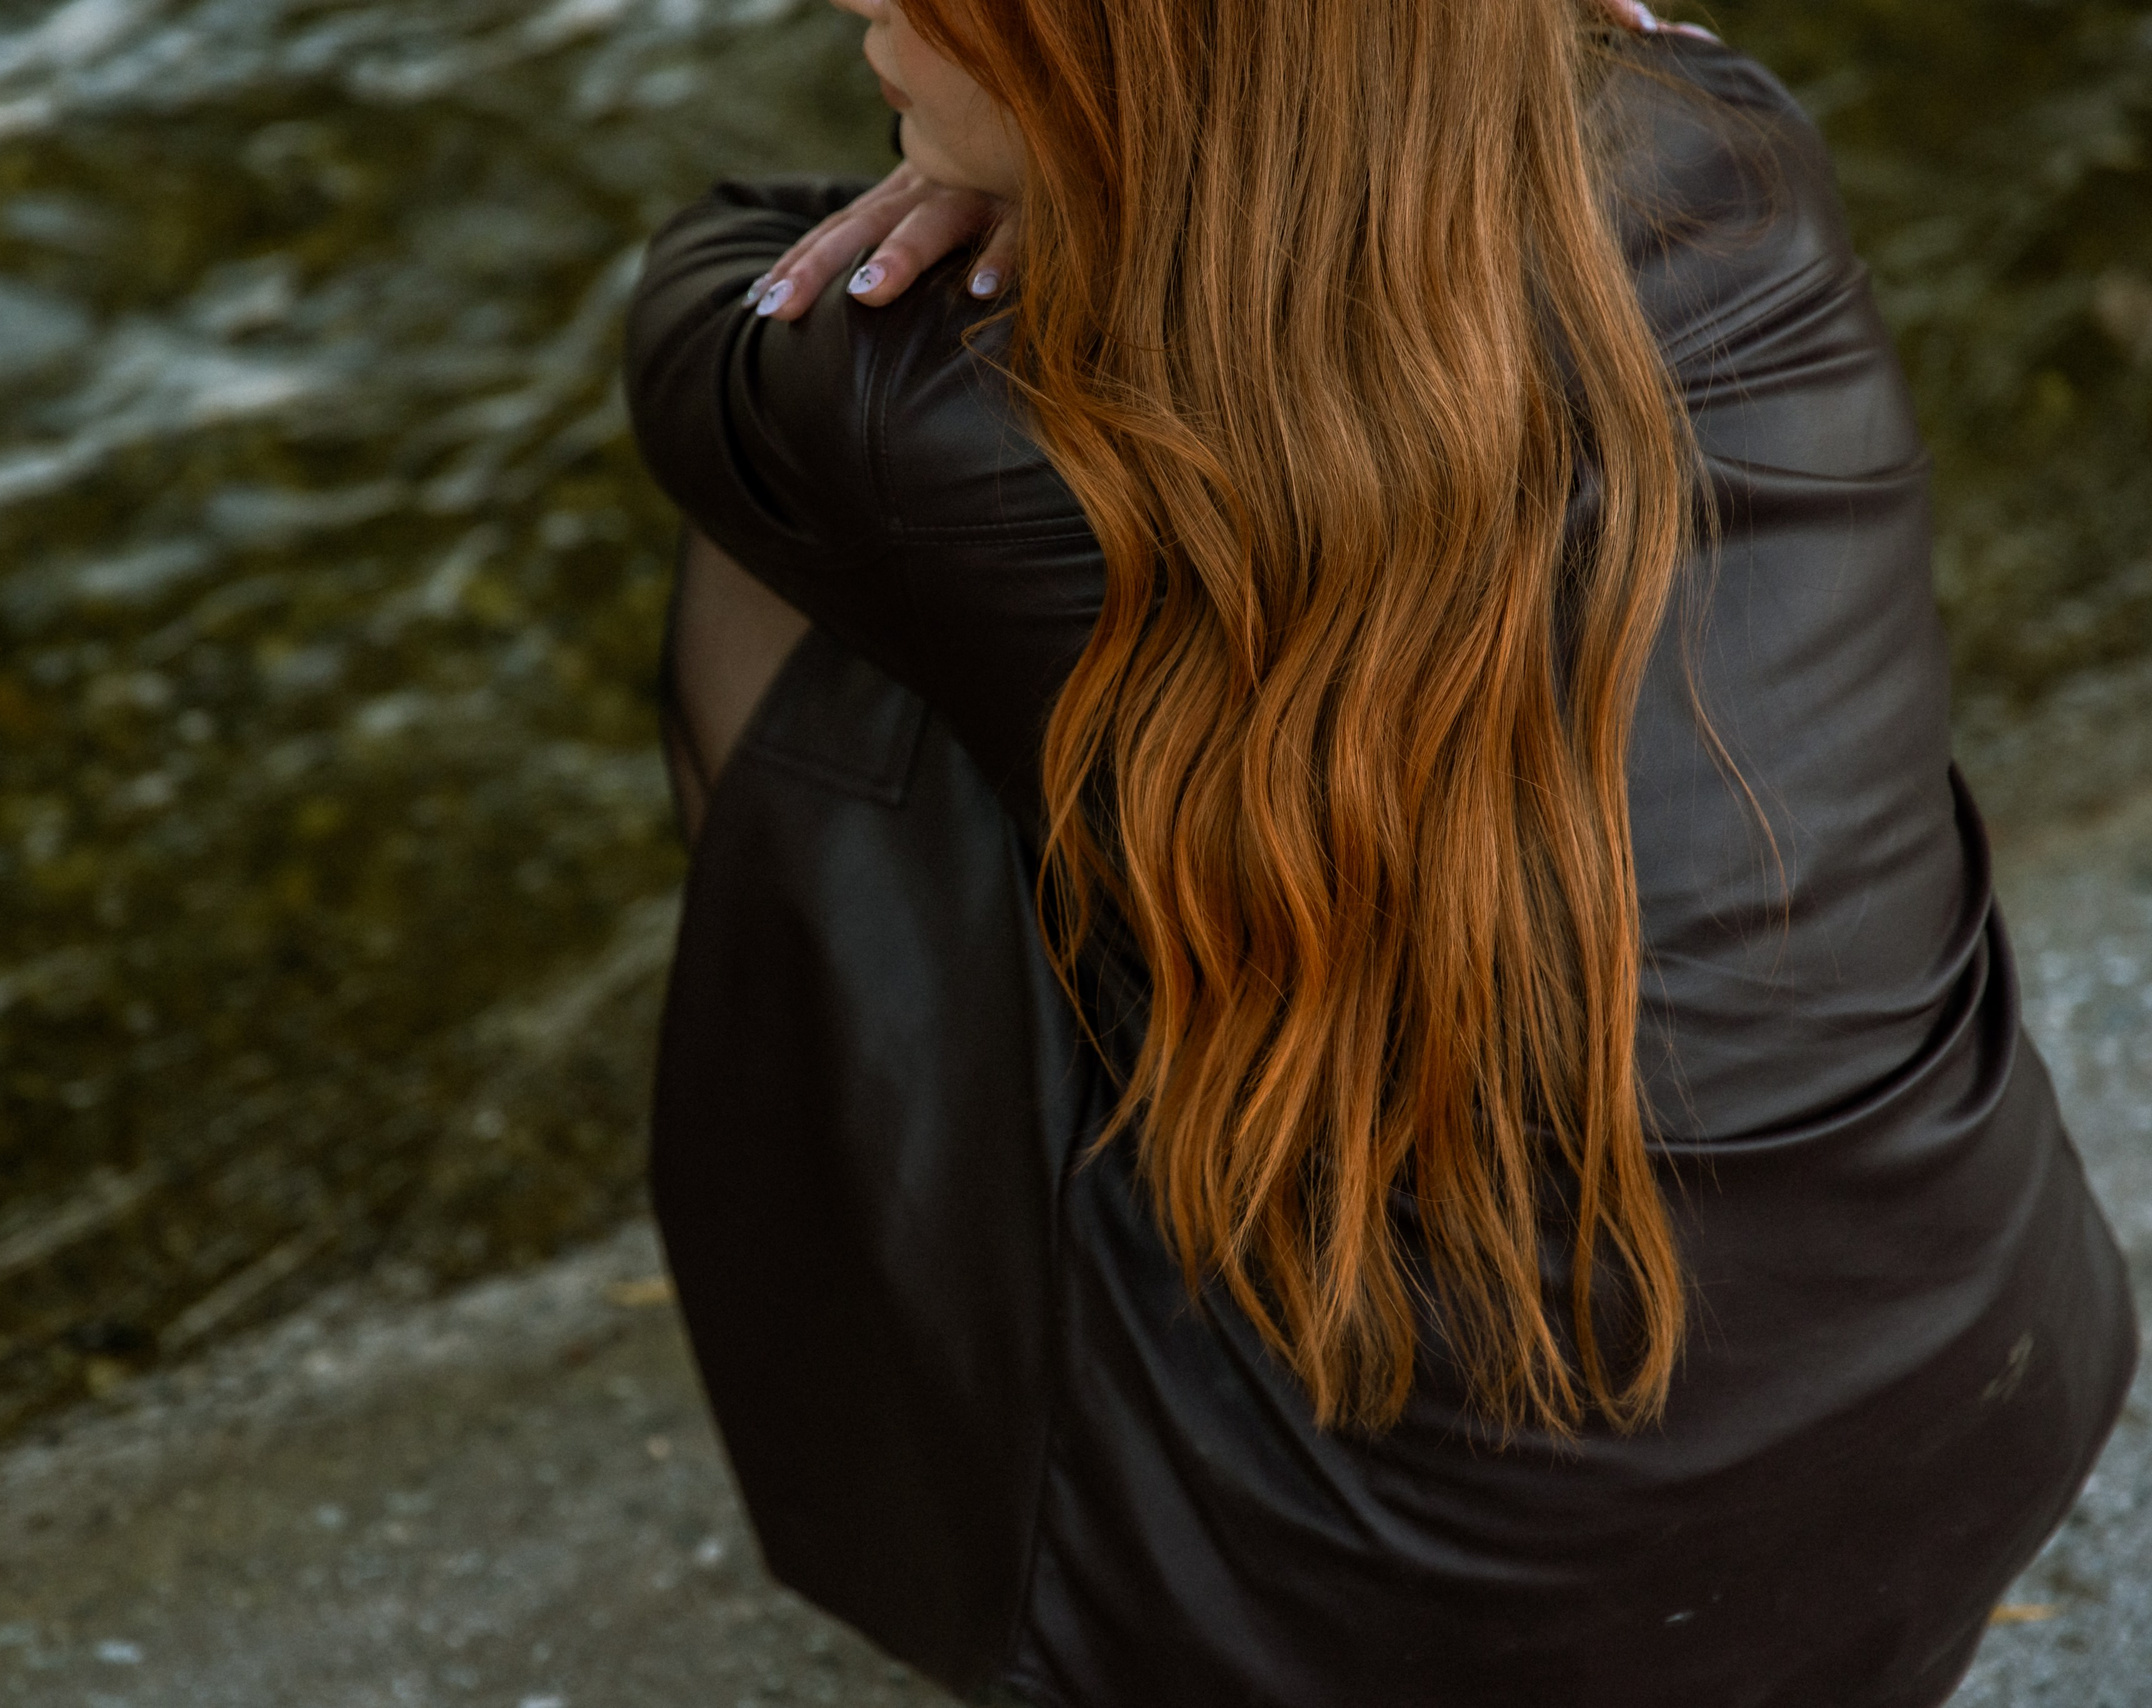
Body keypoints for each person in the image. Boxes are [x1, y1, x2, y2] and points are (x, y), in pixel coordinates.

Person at [622, 2, 2139, 1703]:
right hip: (1972, 1394)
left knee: (817, 601)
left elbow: (710, 278)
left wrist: (1025, 184)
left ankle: (913, 1366)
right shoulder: (1729, 147)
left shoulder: (933, 414)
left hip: (1393, 1629)